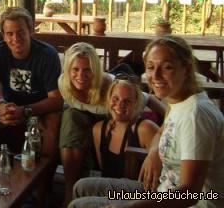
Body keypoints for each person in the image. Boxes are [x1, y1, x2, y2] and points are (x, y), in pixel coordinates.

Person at [69, 36, 224, 208]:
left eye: (167, 67)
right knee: (82, 187)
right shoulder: (177, 102)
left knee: (80, 205)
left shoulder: (196, 115)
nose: (155, 75)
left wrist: (131, 206)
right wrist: (154, 151)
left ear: (187, 69)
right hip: (161, 190)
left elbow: (190, 194)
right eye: (150, 67)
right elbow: (162, 131)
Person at [0, 7, 62, 206]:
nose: (15, 38)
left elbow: (56, 99)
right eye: (9, 34)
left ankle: (42, 190)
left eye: (20, 32)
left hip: (38, 109)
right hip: (9, 109)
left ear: (31, 31)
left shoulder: (47, 54)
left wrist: (26, 111)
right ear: (3, 35)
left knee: (54, 121)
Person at [59, 42, 165, 207]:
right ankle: (70, 189)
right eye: (75, 70)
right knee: (70, 118)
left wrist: (167, 125)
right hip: (99, 126)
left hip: (154, 193)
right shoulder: (64, 85)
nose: (80, 75)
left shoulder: (111, 89)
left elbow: (149, 99)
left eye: (87, 70)